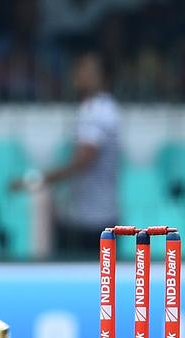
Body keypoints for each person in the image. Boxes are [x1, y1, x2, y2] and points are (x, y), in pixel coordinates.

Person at [11, 52, 121, 256]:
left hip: (94, 219)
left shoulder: (97, 111)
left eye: (88, 71)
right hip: (86, 214)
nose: (80, 74)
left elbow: (83, 160)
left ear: (104, 78)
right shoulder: (99, 108)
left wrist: (33, 180)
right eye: (80, 68)